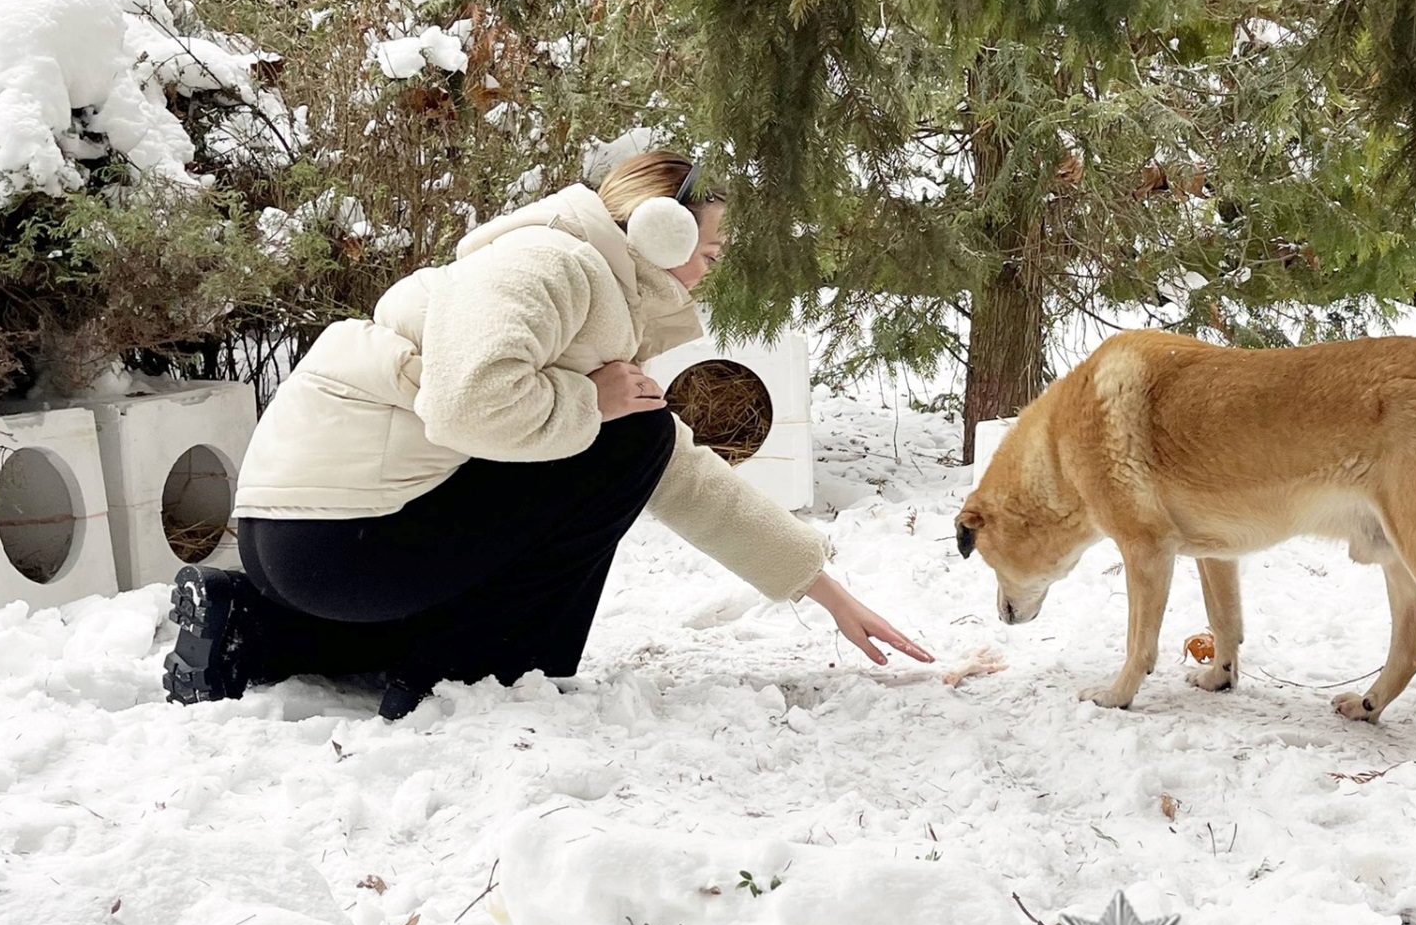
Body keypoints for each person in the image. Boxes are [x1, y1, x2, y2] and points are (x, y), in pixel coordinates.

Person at [163, 150, 932, 719]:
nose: (711, 269)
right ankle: (474, 672)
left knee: (631, 436)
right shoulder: (549, 264)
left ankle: (254, 632)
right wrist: (593, 400)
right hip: (341, 541)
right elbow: (467, 405)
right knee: (628, 434)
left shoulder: (592, 287)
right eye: (711, 250)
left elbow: (679, 477)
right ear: (661, 233)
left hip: (307, 551)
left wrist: (820, 588)